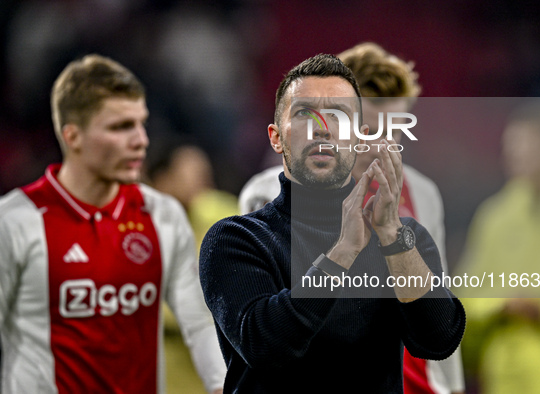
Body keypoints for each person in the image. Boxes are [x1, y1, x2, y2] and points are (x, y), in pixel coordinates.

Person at [200, 53, 465, 393]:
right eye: (303, 113)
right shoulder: (236, 239)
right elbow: (265, 345)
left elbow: (438, 340)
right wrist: (344, 250)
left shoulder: (402, 237)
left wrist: (390, 235)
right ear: (276, 137)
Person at [0, 54, 225, 393]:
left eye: (141, 123)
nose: (141, 140)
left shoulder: (162, 215)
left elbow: (198, 322)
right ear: (73, 136)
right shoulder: (16, 220)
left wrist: (221, 385)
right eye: (120, 127)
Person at [338, 42, 466, 394]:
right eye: (367, 129)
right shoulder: (279, 191)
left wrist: (451, 385)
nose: (380, 144)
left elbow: (438, 291)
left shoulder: (422, 192)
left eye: (392, 130)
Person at [455, 98, 540, 393]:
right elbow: (465, 299)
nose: (510, 154)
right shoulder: (495, 216)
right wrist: (500, 305)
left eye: (522, 144)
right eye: (508, 145)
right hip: (506, 376)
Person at [145, 140, 237, 394]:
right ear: (162, 180)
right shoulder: (138, 229)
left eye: (204, 173)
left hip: (220, 353)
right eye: (191, 173)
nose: (202, 180)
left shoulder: (221, 211)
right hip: (166, 360)